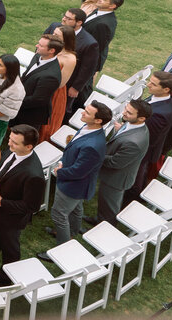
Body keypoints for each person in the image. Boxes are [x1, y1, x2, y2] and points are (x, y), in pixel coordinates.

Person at [0, 125, 46, 278]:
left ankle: (6, 279)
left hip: (12, 217)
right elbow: (0, 171)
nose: (9, 144)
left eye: (15, 143)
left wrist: (1, 202)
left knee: (10, 248)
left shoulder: (33, 174)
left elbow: (31, 206)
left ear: (29, 146)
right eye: (10, 139)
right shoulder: (12, 151)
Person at [52, 101, 111, 244]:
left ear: (98, 121)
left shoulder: (93, 145)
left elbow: (78, 171)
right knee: (76, 209)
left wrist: (60, 172)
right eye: (85, 109)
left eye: (87, 113)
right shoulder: (89, 127)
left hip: (73, 185)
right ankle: (72, 232)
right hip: (76, 182)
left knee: (59, 215)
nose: (83, 113)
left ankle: (63, 248)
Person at [126, 71, 172, 204]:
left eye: (153, 84)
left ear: (166, 89)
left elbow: (147, 138)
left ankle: (125, 206)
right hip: (143, 150)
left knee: (133, 182)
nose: (148, 85)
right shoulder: (159, 99)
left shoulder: (160, 113)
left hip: (142, 153)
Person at [97, 99, 151, 225]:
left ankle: (105, 230)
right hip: (113, 174)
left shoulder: (134, 143)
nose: (124, 113)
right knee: (104, 202)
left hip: (116, 178)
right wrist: (120, 130)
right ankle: (99, 220)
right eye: (126, 109)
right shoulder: (133, 124)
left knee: (109, 209)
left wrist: (95, 155)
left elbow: (115, 163)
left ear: (142, 118)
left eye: (129, 112)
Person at [14, 35, 63, 132]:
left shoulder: (51, 76)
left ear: (51, 51)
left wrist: (14, 101)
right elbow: (27, 75)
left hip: (30, 114)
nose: (36, 45)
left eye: (41, 45)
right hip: (21, 103)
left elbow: (37, 100)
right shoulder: (37, 56)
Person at [40, 26, 79, 140]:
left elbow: (61, 82)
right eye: (54, 33)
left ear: (65, 39)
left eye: (57, 36)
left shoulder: (70, 58)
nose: (53, 36)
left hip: (53, 92)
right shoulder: (50, 48)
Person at [84, 0, 123, 72]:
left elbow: (95, 47)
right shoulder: (99, 10)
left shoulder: (103, 25)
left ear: (112, 6)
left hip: (86, 62)